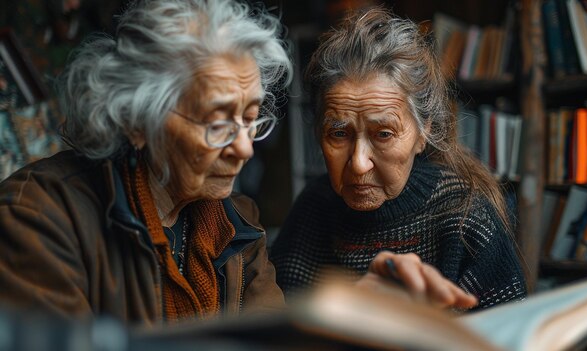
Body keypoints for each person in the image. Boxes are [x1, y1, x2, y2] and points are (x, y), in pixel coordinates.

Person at [0, 0, 475, 326]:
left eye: (251, 119)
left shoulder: (236, 224)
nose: (245, 148)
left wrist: (344, 321)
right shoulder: (37, 220)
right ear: (136, 122)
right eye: (216, 122)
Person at [270, 7, 528, 310]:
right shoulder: (314, 208)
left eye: (383, 134)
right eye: (339, 135)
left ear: (423, 132)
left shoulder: (466, 217)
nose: (358, 164)